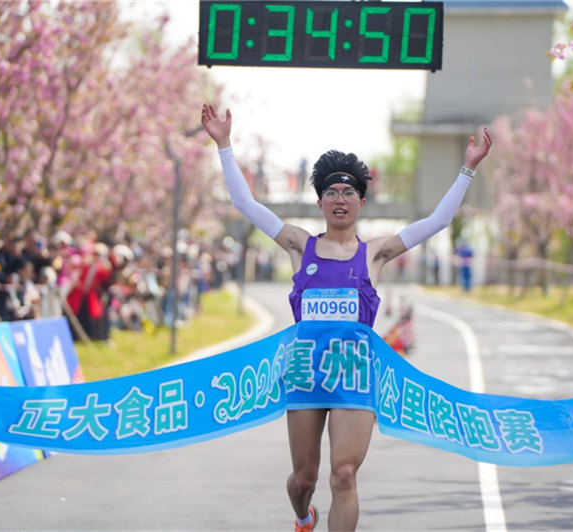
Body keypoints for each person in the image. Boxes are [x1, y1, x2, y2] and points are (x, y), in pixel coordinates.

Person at [201, 103, 492, 531]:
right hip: (304, 374)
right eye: (332, 193)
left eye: (349, 193)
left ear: (361, 202)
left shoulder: (375, 252)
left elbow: (437, 220)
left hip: (355, 375)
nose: (340, 200)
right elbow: (245, 204)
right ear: (320, 201)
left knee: (344, 475)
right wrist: (224, 144)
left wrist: (467, 169)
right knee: (304, 479)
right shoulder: (299, 245)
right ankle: (304, 516)